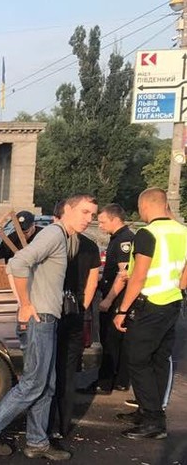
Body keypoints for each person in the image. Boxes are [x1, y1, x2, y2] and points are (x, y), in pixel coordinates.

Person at [0, 194, 96, 461]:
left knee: (46, 385)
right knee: (33, 384)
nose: (90, 219)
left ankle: (38, 442)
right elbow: (17, 263)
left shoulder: (66, 238)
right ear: (68, 210)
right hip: (39, 320)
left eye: (93, 214)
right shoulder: (53, 234)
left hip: (48, 319)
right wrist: (25, 305)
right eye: (85, 212)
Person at [112, 188, 187, 440]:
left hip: (150, 303)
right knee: (158, 358)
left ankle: (153, 421)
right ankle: (148, 411)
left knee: (137, 358)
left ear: (144, 206)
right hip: (173, 303)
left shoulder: (147, 234)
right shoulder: (183, 231)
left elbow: (139, 276)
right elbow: (184, 277)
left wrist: (122, 310)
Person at [49, 201, 100, 439]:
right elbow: (92, 283)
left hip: (51, 312)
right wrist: (82, 307)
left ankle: (44, 424)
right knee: (68, 372)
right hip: (75, 312)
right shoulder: (90, 246)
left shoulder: (52, 240)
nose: (89, 218)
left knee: (47, 370)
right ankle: (64, 425)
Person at [80, 204, 133, 395]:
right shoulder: (118, 238)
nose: (99, 225)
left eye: (102, 221)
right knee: (117, 342)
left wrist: (108, 300)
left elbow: (124, 274)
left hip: (117, 298)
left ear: (115, 219)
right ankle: (120, 381)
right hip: (115, 295)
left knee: (110, 341)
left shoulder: (124, 241)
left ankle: (105, 382)